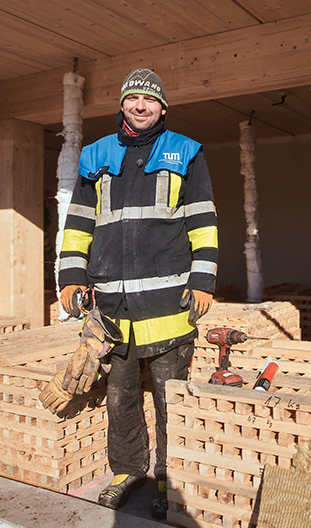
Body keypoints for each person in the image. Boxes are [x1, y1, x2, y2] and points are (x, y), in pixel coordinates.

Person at [56, 68, 218, 518]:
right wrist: (71, 276)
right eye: (132, 99)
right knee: (120, 396)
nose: (140, 106)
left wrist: (203, 280)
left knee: (171, 398)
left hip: (169, 306)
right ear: (122, 105)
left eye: (149, 100)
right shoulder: (95, 156)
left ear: (162, 108)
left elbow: (203, 221)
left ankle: (169, 476)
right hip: (113, 308)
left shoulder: (187, 152)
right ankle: (127, 470)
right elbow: (79, 225)